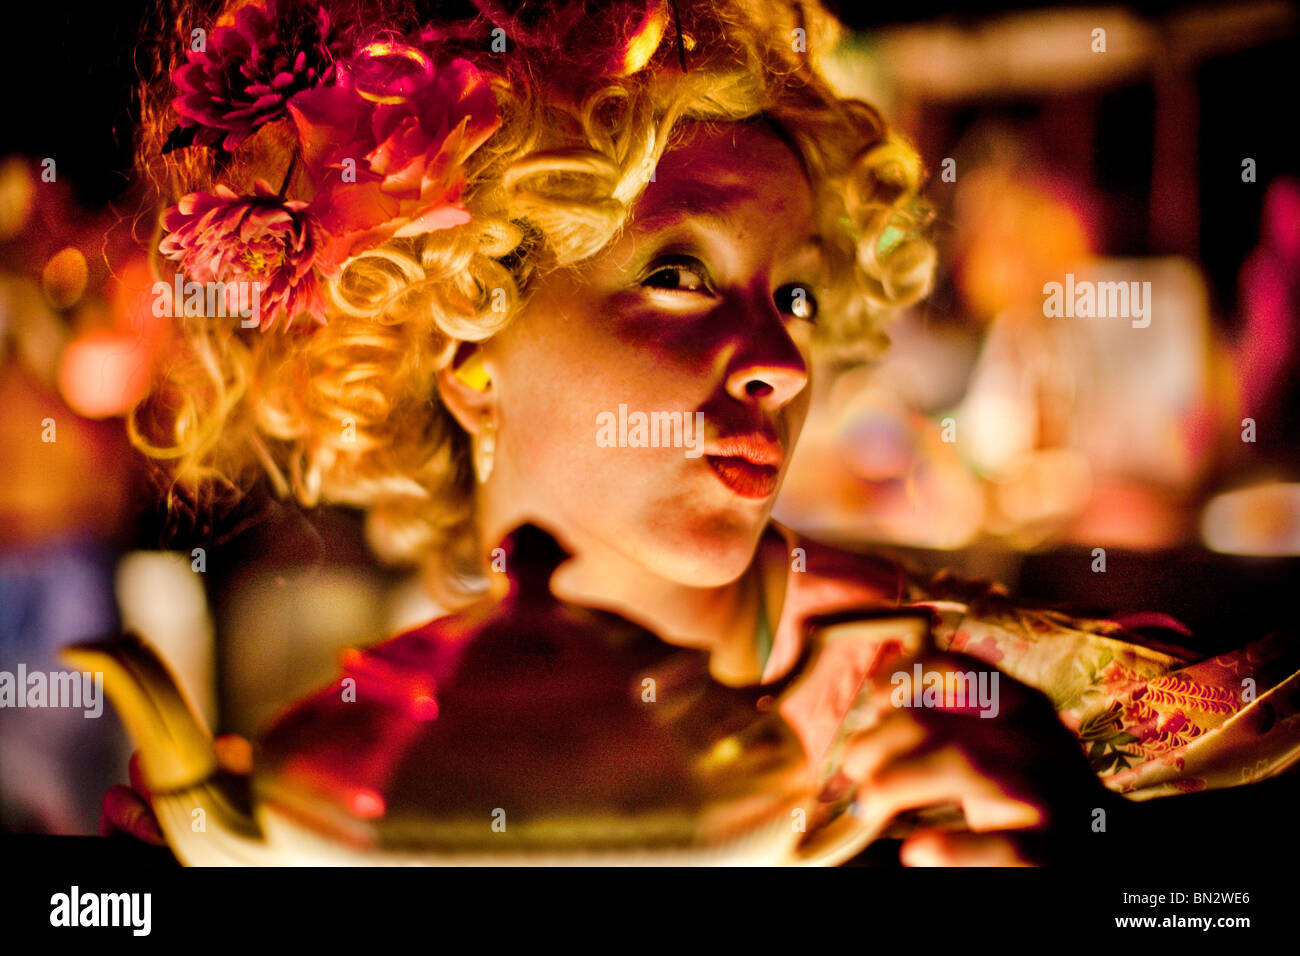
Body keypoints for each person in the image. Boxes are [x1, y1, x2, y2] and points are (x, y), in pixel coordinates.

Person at [102, 0, 1300, 865]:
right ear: (464, 346)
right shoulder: (333, 781)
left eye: (794, 297)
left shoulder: (1017, 717)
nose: (780, 362)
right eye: (680, 273)